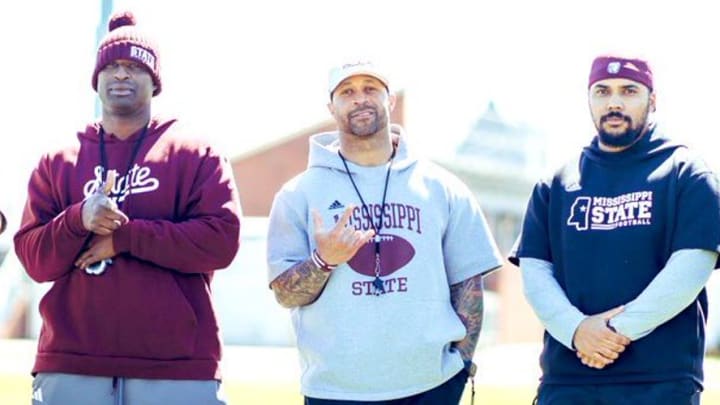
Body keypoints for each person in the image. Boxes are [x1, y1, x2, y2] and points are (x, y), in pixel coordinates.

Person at [14, 11, 241, 405]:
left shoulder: (195, 153)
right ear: (96, 79)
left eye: (135, 67)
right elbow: (34, 261)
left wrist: (126, 237)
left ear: (154, 82)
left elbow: (221, 241)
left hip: (176, 366)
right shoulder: (59, 159)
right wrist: (77, 219)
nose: (121, 75)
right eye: (113, 66)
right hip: (72, 363)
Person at [266, 60, 503, 404]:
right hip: (336, 391)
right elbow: (285, 296)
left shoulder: (442, 187)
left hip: (431, 387)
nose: (360, 98)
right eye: (347, 91)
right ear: (331, 107)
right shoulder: (298, 194)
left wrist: (460, 365)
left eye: (370, 88)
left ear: (390, 100)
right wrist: (324, 260)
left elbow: (468, 283)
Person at [510, 54, 720, 405]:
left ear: (653, 100)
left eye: (629, 91)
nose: (614, 102)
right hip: (568, 379)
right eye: (602, 91)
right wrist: (577, 331)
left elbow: (690, 271)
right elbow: (534, 272)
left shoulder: (687, 173)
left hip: (660, 381)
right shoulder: (556, 183)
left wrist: (609, 334)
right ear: (589, 99)